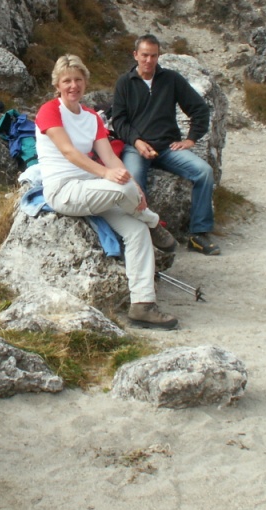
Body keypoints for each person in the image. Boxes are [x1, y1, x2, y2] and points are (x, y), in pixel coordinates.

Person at [36, 54, 179, 330]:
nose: (73, 86)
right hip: (64, 190)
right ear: (57, 85)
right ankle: (153, 222)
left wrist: (133, 184)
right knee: (124, 190)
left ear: (85, 82)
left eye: (78, 79)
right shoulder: (50, 111)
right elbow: (69, 152)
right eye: (67, 81)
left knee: (136, 230)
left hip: (92, 189)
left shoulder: (91, 117)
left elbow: (110, 157)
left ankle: (142, 305)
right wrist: (108, 175)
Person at [111, 35, 220, 256]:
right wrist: (137, 141)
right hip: (136, 148)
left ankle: (199, 234)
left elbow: (199, 109)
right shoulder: (125, 82)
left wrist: (191, 139)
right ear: (135, 55)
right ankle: (141, 237)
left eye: (153, 56)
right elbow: (119, 121)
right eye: (144, 55)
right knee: (132, 184)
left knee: (204, 172)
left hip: (168, 147)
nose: (149, 60)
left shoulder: (171, 79)